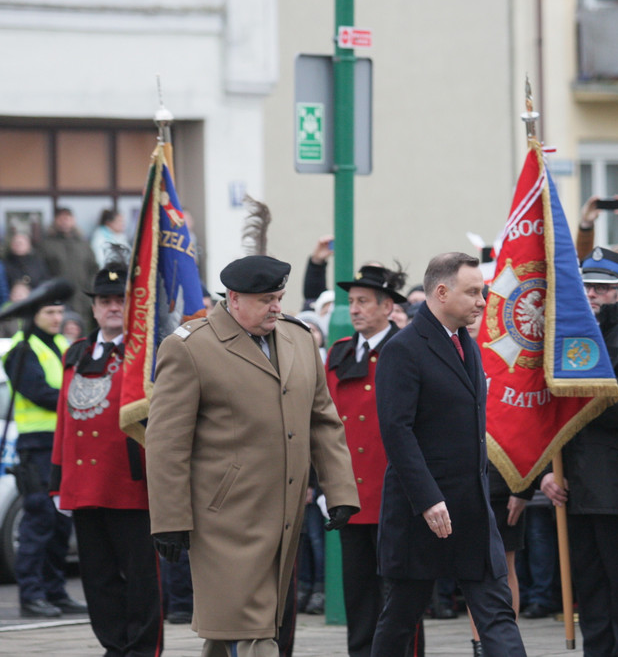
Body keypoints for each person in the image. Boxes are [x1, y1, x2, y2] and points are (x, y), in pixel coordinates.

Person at [145, 255, 361, 657]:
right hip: (224, 519)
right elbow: (166, 442)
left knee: (232, 626)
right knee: (253, 628)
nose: (277, 307)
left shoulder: (298, 338)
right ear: (235, 299)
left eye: (279, 297)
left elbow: (323, 422)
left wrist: (341, 490)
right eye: (267, 300)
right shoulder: (190, 347)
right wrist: (170, 519)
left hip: (285, 510)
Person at [371, 252, 526, 657]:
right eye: (473, 292)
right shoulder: (402, 349)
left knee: (496, 613)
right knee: (401, 617)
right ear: (441, 292)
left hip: (473, 510)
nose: (482, 301)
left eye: (483, 291)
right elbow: (397, 431)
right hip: (420, 513)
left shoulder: (466, 346)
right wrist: (427, 499)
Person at [540, 247, 618, 657]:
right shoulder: (566, 338)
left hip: (616, 481)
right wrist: (546, 472)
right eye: (586, 286)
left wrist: (579, 390)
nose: (591, 294)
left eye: (602, 288)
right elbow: (545, 413)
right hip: (573, 481)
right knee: (589, 588)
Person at [50, 262, 161, 655]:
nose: (113, 307)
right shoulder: (75, 354)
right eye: (105, 301)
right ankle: (114, 646)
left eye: (120, 300)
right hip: (83, 487)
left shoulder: (146, 356)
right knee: (97, 579)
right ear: (93, 308)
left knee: (143, 578)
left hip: (130, 484)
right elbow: (64, 422)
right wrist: (56, 481)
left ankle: (142, 649)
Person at [324, 263, 407, 657]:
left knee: (399, 598)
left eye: (363, 302)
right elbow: (323, 422)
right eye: (352, 302)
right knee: (357, 596)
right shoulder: (340, 352)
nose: (354, 309)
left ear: (388, 306)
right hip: (350, 494)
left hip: (395, 493)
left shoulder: (407, 349)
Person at [6, 295, 87, 619]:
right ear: (33, 315)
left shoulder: (60, 343)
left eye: (59, 311)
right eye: (49, 312)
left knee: (60, 522)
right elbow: (38, 391)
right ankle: (32, 595)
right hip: (37, 446)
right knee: (38, 521)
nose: (57, 317)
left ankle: (55, 591)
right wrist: (80, 398)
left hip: (64, 443)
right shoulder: (21, 348)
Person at [40, 207, 99, 322]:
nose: (64, 221)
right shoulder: (47, 245)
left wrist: (90, 290)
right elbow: (42, 271)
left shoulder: (83, 244)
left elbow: (94, 269)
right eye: (61, 218)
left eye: (67, 218)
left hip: (83, 299)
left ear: (73, 220)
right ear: (55, 221)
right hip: (58, 299)